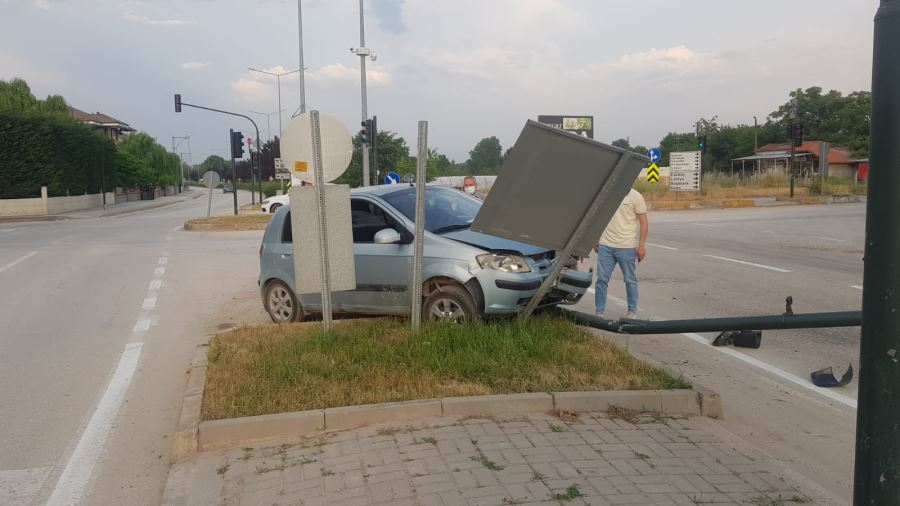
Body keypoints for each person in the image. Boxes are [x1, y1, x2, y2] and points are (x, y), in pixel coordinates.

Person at [594, 188, 648, 318]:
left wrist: (641, 246)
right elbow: (598, 217)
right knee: (601, 279)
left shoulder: (636, 196)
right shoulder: (608, 194)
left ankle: (632, 311)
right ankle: (599, 311)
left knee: (630, 280)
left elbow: (644, 222)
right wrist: (596, 239)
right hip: (606, 245)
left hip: (626, 246)